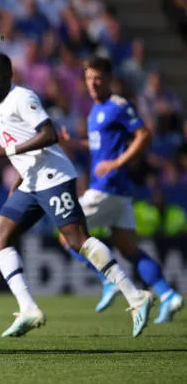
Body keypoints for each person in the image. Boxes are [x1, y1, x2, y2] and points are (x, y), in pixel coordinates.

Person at [0, 52, 153, 338]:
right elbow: (26, 146)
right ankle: (29, 309)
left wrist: (6, 152)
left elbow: (49, 135)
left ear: (9, 74)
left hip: (54, 177)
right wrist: (18, 182)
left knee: (77, 240)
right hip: (31, 181)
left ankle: (136, 297)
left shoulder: (22, 97)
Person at [59, 56, 183, 322]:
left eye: (98, 78)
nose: (93, 83)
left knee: (65, 231)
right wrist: (75, 143)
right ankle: (168, 294)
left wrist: (117, 162)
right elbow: (99, 146)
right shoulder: (96, 110)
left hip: (107, 188)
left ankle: (107, 281)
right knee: (129, 249)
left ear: (109, 79)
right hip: (120, 194)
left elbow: (144, 135)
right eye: (89, 78)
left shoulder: (117, 105)